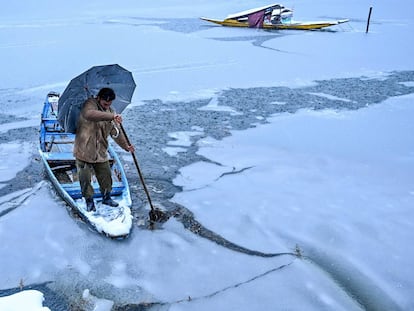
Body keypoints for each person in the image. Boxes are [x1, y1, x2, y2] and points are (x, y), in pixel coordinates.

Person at [74, 87, 135, 212]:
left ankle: (106, 197)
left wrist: (126, 146)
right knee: (85, 178)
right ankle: (89, 201)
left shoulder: (111, 111)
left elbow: (116, 133)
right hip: (84, 150)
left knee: (106, 176)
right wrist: (111, 116)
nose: (107, 105)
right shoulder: (89, 104)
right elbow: (89, 114)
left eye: (109, 103)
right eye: (104, 103)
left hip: (101, 151)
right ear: (99, 98)